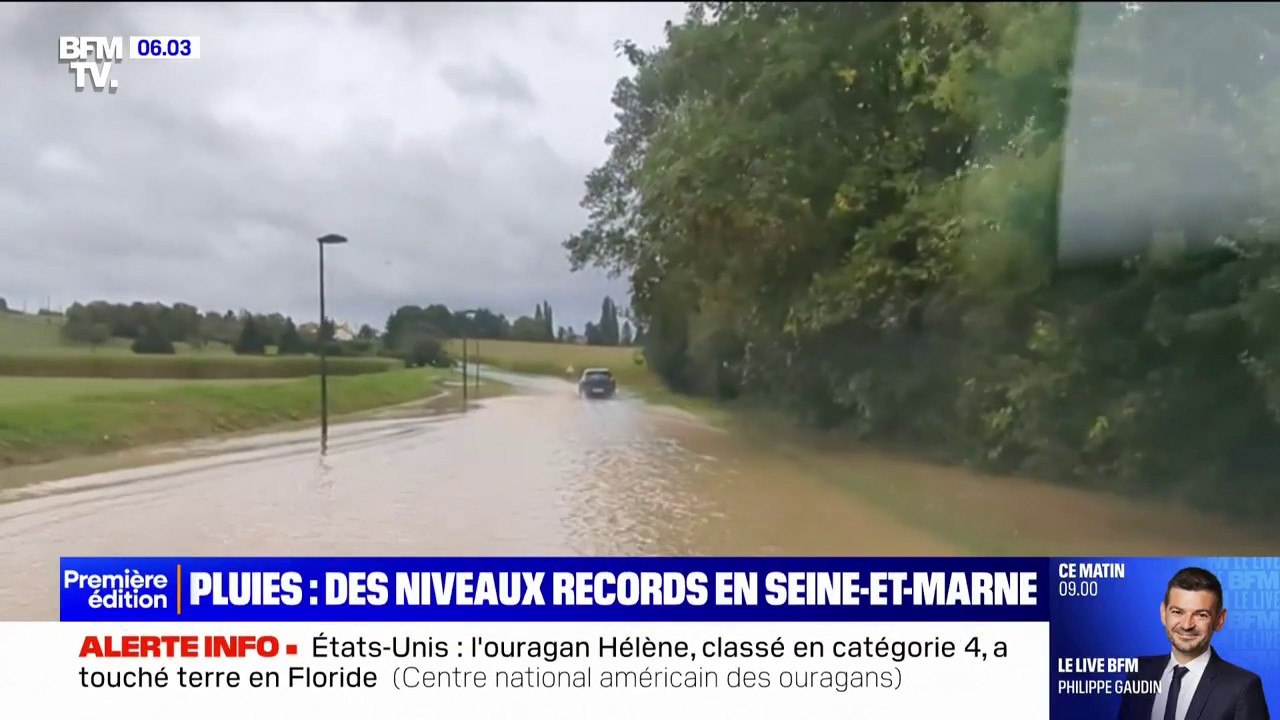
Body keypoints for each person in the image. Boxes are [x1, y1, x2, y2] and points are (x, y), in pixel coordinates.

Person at [1117, 567, 1269, 720]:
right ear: (1163, 613)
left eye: (1201, 615)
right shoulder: (1140, 672)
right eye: (1177, 612)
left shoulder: (1243, 688)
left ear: (1220, 620)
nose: (1186, 625)